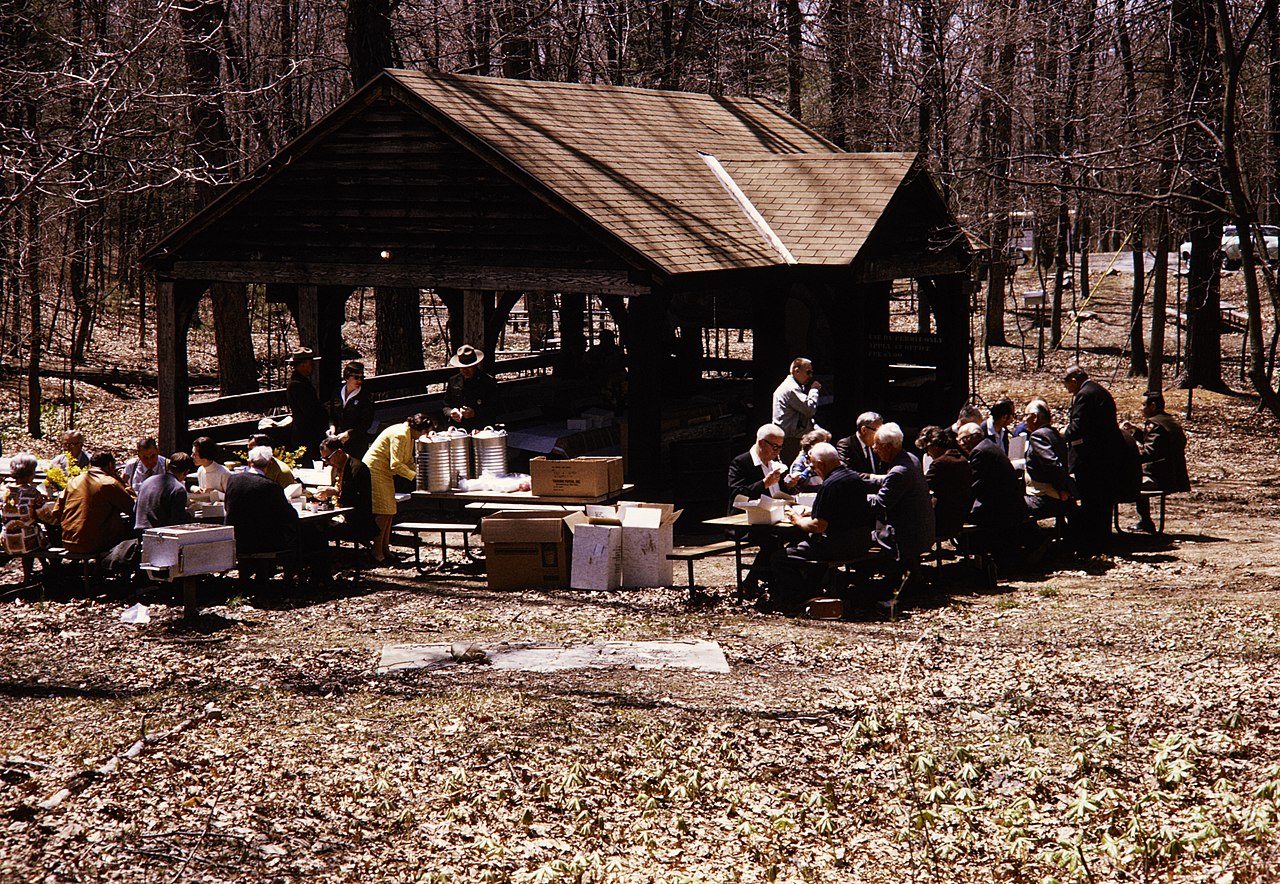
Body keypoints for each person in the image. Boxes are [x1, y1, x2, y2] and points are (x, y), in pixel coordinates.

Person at [769, 443, 874, 610]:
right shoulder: (854, 477)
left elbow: (818, 526)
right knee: (802, 546)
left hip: (839, 546)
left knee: (780, 558)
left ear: (821, 464)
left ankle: (800, 599)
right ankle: (815, 589)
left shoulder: (830, 484)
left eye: (812, 466)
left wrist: (796, 519)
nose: (812, 470)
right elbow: (841, 510)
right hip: (862, 542)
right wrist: (812, 511)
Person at [727, 424, 799, 593]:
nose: (777, 451)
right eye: (774, 447)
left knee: (802, 533)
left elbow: (778, 493)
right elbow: (737, 494)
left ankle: (782, 578)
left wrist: (789, 485)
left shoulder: (775, 464)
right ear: (761, 443)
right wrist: (764, 484)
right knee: (772, 541)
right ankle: (758, 581)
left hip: (776, 518)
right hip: (748, 522)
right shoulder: (741, 462)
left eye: (780, 447)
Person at [1061, 365, 1125, 555]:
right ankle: (1102, 541)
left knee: (1091, 502)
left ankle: (1091, 544)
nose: (1069, 391)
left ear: (1074, 381)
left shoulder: (1084, 395)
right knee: (1103, 503)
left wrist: (1062, 433)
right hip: (1106, 456)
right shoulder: (1100, 391)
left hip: (1091, 459)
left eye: (1068, 386)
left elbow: (1078, 426)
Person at [363, 412, 433, 563]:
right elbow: (395, 464)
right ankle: (377, 551)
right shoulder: (400, 434)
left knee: (390, 511)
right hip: (375, 471)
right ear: (419, 429)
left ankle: (385, 548)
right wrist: (414, 477)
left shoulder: (409, 435)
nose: (425, 435)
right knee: (383, 511)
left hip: (386, 473)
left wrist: (421, 473)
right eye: (425, 432)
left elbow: (407, 460)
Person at [224, 446, 299, 580]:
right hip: (264, 542)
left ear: (249, 462)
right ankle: (290, 580)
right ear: (269, 465)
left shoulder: (233, 480)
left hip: (237, 538)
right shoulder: (271, 486)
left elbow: (227, 506)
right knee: (299, 535)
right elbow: (290, 516)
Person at [865, 422, 935, 566]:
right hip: (921, 530)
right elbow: (890, 482)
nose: (874, 449)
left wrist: (856, 497)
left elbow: (879, 504)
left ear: (888, 447)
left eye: (877, 445)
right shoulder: (911, 458)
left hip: (905, 536)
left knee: (858, 539)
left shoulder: (899, 472)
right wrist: (864, 481)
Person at [1121, 390, 1190, 532]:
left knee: (1128, 481)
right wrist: (1134, 431)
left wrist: (1127, 458)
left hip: (1160, 477)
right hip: (1175, 476)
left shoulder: (1154, 423)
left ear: (1152, 406)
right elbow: (1158, 445)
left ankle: (1145, 521)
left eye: (1143, 405)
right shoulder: (1170, 421)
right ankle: (1145, 521)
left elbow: (1149, 453)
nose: (1141, 408)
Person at [957, 422, 1030, 557]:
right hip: (1009, 504)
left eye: (963, 439)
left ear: (974, 437)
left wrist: (961, 512)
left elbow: (974, 486)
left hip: (1002, 510)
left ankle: (977, 552)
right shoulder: (988, 446)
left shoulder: (979, 452)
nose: (961, 444)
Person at [55, 451, 135, 555]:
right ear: (110, 465)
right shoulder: (109, 482)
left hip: (68, 541)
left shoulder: (74, 481)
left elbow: (56, 511)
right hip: (94, 543)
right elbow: (133, 508)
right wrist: (122, 482)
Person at [314, 436, 378, 545]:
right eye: (324, 459)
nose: (327, 462)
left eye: (328, 458)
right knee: (311, 527)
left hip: (356, 518)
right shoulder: (335, 468)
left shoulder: (357, 468)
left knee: (319, 531)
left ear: (339, 452)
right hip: (337, 513)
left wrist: (336, 492)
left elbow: (360, 499)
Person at [915, 426, 973, 541]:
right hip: (960, 517)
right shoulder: (961, 459)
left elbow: (922, 487)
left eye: (927, 449)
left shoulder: (940, 464)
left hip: (944, 521)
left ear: (934, 445)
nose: (928, 454)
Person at [2, 453, 52, 584]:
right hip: (27, 542)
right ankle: (32, 577)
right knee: (41, 536)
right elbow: (46, 516)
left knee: (29, 530)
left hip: (7, 540)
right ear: (29, 473)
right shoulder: (33, 493)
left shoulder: (4, 491)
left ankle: (44, 568)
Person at [1022, 400, 1074, 520]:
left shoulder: (1038, 436)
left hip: (1045, 498)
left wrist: (1061, 489)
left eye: (1026, 415)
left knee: (1009, 505)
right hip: (1057, 496)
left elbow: (1053, 465)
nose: (1024, 420)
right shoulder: (1054, 434)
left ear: (1035, 417)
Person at [443, 344, 501, 431]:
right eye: (462, 367)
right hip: (458, 429)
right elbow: (446, 406)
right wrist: (451, 412)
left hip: (481, 428)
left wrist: (474, 413)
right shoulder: (453, 381)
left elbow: (496, 408)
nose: (465, 371)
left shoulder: (487, 382)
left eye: (468, 367)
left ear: (475, 365)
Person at [285, 347, 328, 463]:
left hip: (307, 434)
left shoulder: (301, 382)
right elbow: (310, 411)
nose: (312, 367)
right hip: (306, 435)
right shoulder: (298, 385)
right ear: (303, 365)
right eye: (310, 364)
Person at [328, 360, 375, 461]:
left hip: (357, 443)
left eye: (362, 378)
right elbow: (332, 416)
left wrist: (349, 433)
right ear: (347, 377)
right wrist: (332, 427)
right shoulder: (336, 393)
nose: (359, 381)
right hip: (338, 442)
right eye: (356, 377)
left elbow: (366, 423)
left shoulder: (365, 396)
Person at [135, 452, 193, 531]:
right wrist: (189, 515)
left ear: (168, 466)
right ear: (186, 472)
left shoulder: (147, 482)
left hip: (139, 532)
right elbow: (178, 522)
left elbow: (135, 510)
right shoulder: (178, 489)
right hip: (159, 534)